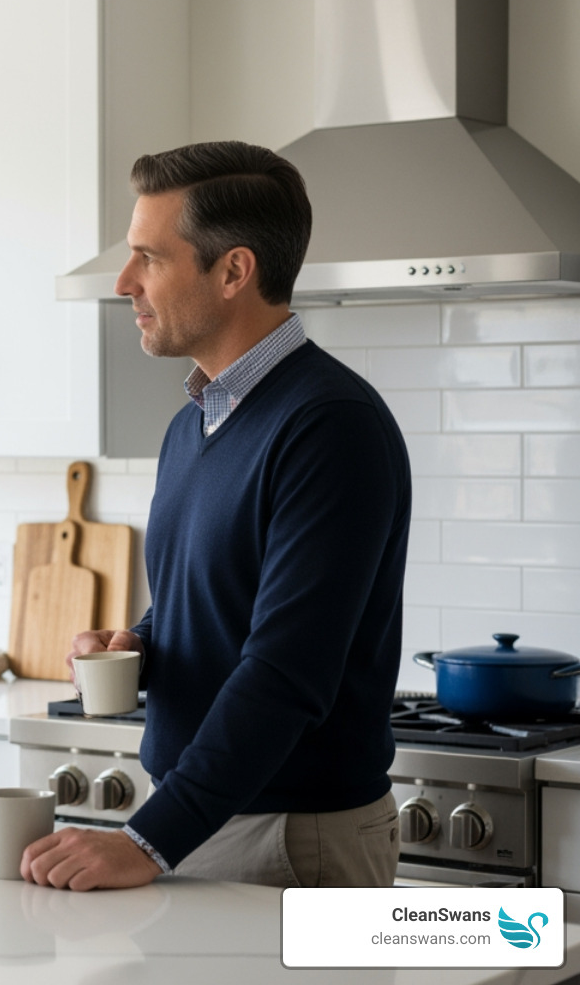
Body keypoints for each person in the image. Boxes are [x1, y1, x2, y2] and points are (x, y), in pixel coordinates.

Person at [22, 142, 410, 891]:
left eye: (149, 258)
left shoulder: (329, 425)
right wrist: (143, 640)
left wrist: (147, 842)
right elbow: (218, 601)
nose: (125, 282)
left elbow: (287, 670)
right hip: (203, 817)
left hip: (290, 840)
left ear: (233, 271)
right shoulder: (193, 421)